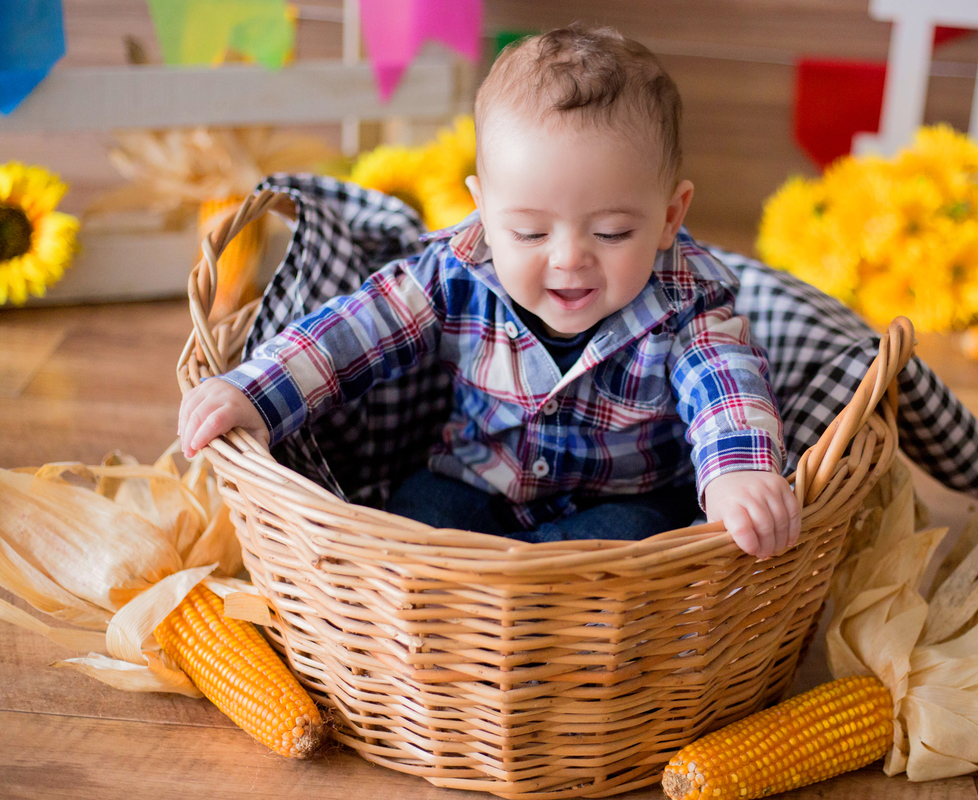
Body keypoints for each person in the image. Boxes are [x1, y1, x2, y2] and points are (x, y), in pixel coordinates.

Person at [178, 25, 798, 559]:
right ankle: (468, 602)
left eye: (612, 231)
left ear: (669, 216)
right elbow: (352, 332)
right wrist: (254, 392)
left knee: (638, 542)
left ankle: (538, 616)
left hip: (618, 505)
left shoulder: (686, 309)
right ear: (483, 210)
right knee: (410, 519)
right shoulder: (456, 274)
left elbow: (727, 387)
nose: (568, 258)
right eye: (528, 230)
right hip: (473, 483)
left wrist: (738, 473)